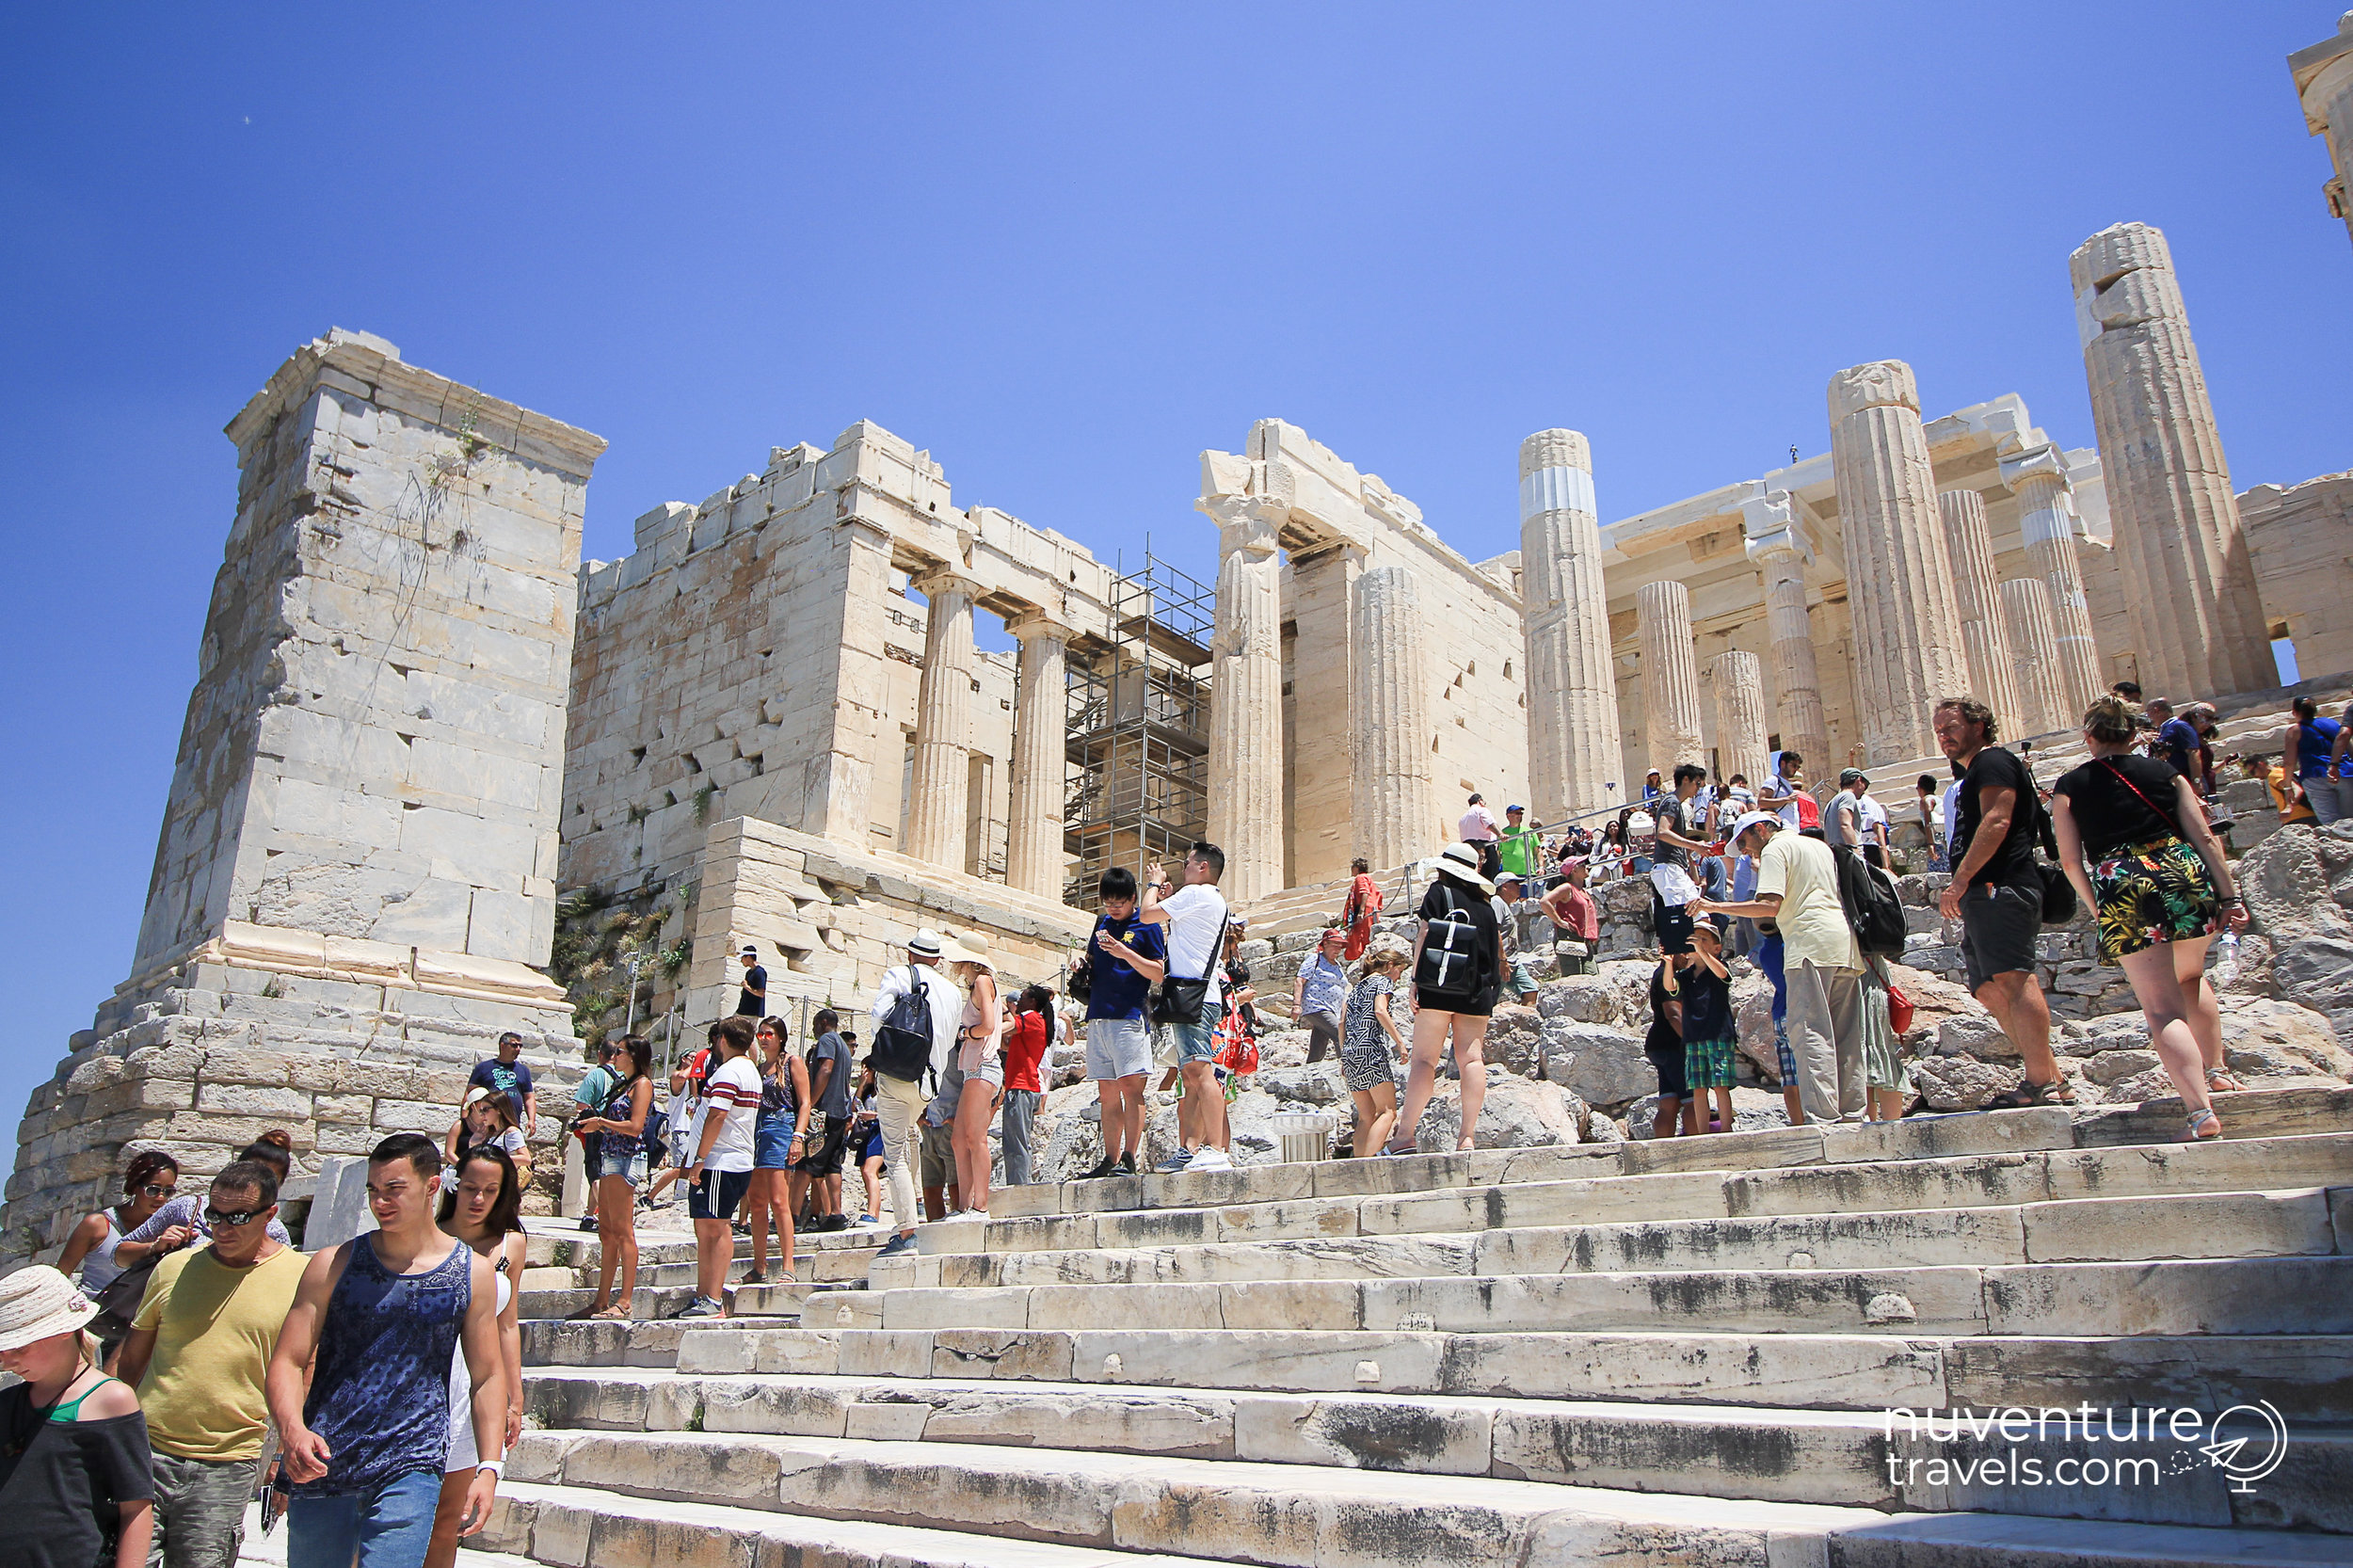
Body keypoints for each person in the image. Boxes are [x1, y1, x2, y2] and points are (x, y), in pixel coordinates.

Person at [267, 1134, 504, 1568]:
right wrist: (292, 1431)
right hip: (326, 1458)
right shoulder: (332, 1264)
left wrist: (489, 1466)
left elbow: (487, 1375)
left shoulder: (473, 1272)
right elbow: (288, 1358)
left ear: (432, 1187)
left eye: (394, 1189)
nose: (381, 1202)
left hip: (413, 1458)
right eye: (374, 1191)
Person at [2050, 695, 2251, 1141]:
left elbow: (2069, 861)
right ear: (2135, 736)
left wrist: (2099, 907)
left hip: (2122, 883)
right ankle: (2217, 1071)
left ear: (2089, 738)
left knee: (2161, 1008)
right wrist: (2229, 896)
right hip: (2182, 872)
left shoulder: (2070, 786)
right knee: (2192, 977)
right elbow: (2203, 834)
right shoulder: (2165, 772)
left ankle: (2200, 1111)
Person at [115, 1158, 300, 1568]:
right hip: (146, 1454)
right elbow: (129, 1362)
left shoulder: (301, 1277)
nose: (222, 1228)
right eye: (215, 1215)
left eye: (238, 1217)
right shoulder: (174, 1267)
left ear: (270, 1214)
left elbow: (306, 1372)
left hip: (227, 1465)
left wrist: (282, 1458)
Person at [1933, 696, 2073, 1111]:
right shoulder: (1976, 768)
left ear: (1978, 725)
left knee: (2014, 980)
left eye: (1951, 726)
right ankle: (2052, 1076)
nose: (1944, 736)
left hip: (2001, 885)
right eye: (1939, 730)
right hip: (1984, 891)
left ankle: (2038, 1084)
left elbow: (1997, 819)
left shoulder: (1993, 761)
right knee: (1987, 987)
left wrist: (1958, 882)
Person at [1697, 812, 1865, 1123]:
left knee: (1812, 1032)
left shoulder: (1775, 849)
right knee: (1846, 1036)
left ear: (1760, 829)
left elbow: (1769, 905)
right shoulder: (1818, 846)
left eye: (1744, 842)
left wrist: (1714, 906)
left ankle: (1824, 1121)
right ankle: (1854, 1114)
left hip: (1807, 945)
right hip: (1843, 944)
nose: (1745, 851)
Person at [0, 1266, 152, 1568]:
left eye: (19, 1346)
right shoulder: (7, 1405)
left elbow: (136, 1508)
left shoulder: (111, 1400)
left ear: (65, 1331)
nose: (7, 1360)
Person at [424, 1148, 527, 1568]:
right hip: (428, 1377)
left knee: (449, 1518)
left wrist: (515, 1399)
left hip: (476, 1385)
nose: (478, 1199)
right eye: (470, 1188)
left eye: (490, 1190)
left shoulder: (511, 1244)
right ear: (452, 1186)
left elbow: (507, 1324)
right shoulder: (425, 1235)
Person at [1389, 843, 1502, 1155]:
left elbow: (1425, 933)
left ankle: (1405, 1136)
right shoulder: (1486, 906)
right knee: (1472, 1059)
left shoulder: (1439, 892)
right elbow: (1494, 954)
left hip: (1438, 986)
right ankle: (1467, 1136)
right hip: (1476, 991)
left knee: (1425, 1061)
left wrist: (1414, 980)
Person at [868, 931, 964, 1260]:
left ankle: (907, 1230)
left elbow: (879, 1016)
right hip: (928, 1085)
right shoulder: (953, 993)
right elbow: (951, 1042)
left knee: (894, 1154)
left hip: (896, 1075)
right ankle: (906, 1221)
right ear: (938, 960)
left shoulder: (899, 975)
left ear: (910, 955)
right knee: (909, 1138)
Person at [1139, 843, 1235, 1173]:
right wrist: (1170, 896)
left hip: (1191, 997)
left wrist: (1153, 884)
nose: (1184, 868)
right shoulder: (1211, 899)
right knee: (1191, 1074)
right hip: (1200, 995)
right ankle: (1191, 1148)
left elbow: (1147, 915)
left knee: (1199, 1071)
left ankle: (1216, 1148)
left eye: (1188, 863)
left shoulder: (1196, 894)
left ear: (1203, 866)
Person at [1080, 867, 1165, 1179]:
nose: (1114, 908)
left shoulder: (1146, 926)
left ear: (1133, 899)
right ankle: (1109, 1157)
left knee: (1131, 1089)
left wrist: (1124, 952)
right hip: (1099, 1016)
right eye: (1108, 902)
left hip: (1130, 1016)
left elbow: (1158, 973)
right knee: (1106, 1092)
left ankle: (1130, 1156)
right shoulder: (1101, 924)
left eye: (1120, 902)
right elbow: (1093, 959)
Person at [112, 1132, 296, 1272]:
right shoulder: (188, 1208)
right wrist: (155, 1246)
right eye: (215, 1217)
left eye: (267, 1177)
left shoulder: (276, 1233)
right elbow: (118, 1254)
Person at [676, 1016, 761, 1318]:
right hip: (728, 1160)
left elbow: (717, 1116)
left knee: (716, 1227)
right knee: (706, 1227)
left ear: (722, 1040)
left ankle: (712, 1298)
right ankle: (704, 1296)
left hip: (720, 1161)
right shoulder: (748, 1069)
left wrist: (699, 1159)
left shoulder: (729, 1072)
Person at [60, 1150, 177, 1364]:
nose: (160, 1198)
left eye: (168, 1192)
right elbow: (59, 1276)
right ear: (134, 1187)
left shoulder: (168, 1230)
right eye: (153, 1190)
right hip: (92, 1327)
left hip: (138, 1328)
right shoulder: (97, 1225)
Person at [571, 1035, 652, 1320]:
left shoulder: (642, 1085)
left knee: (622, 1230)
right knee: (606, 1231)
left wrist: (601, 1123)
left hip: (626, 1158)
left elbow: (635, 1126)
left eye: (619, 1052)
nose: (614, 1056)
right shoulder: (623, 1084)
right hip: (610, 1156)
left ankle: (625, 1300)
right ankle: (601, 1299)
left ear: (632, 1056)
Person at [740, 1016, 809, 1289]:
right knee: (756, 1199)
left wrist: (798, 1137)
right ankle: (760, 1266)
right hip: (758, 1128)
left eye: (769, 1033)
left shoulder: (792, 1062)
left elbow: (804, 1102)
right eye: (761, 1034)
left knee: (779, 1199)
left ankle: (789, 1265)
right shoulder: (760, 1068)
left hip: (780, 1126)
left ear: (780, 1037)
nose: (764, 1038)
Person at [941, 933, 1007, 1215]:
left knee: (975, 1137)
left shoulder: (982, 982)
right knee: (959, 1139)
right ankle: (964, 1204)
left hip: (983, 1066)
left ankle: (980, 1204)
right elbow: (1007, 1020)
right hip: (974, 1068)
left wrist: (966, 1033)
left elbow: (990, 1025)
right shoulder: (981, 984)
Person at [1339, 943, 1409, 1157]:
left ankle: (1355, 1164)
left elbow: (1341, 1023)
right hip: (1371, 1049)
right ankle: (1367, 1163)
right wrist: (1400, 1042)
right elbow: (1380, 1010)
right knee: (1387, 1111)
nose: (1398, 977)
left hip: (1351, 1052)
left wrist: (1344, 1056)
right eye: (1399, 971)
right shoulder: (1383, 982)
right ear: (1390, 966)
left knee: (1365, 1116)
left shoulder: (1355, 988)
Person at [1668, 921, 1737, 1135]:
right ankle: (1702, 1131)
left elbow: (1723, 974)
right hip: (1694, 1037)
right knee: (1698, 1088)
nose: (1698, 943)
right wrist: (1668, 962)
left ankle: (1726, 1128)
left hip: (1718, 1036)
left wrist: (1702, 953)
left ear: (1717, 948)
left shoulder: (1718, 970)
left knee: (1720, 1085)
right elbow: (1670, 987)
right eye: (1694, 939)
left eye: (1704, 940)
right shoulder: (1686, 977)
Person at [791, 1010, 856, 1232]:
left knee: (807, 1163)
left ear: (823, 1022)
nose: (813, 1028)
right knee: (832, 1165)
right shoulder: (845, 1048)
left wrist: (810, 1103)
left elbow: (826, 1069)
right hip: (840, 1113)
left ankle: (793, 1216)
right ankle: (836, 1214)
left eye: (815, 1023)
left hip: (824, 1111)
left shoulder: (827, 1040)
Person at [1650, 763, 1710, 954]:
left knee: (1699, 914)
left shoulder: (1675, 803)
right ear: (1686, 780)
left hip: (1675, 868)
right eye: (1697, 783)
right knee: (1681, 919)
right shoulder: (1672, 802)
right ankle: (1679, 961)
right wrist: (1695, 846)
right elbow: (1663, 832)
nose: (1698, 788)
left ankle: (1698, 957)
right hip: (1668, 868)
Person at [999, 985, 1053, 1187]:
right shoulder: (1036, 1021)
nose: (1017, 1003)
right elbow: (1006, 1043)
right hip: (1027, 1087)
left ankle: (1017, 1188)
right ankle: (1020, 1184)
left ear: (1032, 1002)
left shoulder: (1030, 1018)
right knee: (1019, 1141)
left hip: (1020, 1087)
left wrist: (1001, 1009)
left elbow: (1008, 1026)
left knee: (1015, 1143)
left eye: (1021, 998)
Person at [1753, 924, 1804, 1125]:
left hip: (1780, 1013)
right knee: (1808, 1072)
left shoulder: (1766, 951)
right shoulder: (1791, 945)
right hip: (1798, 1011)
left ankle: (1798, 1124)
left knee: (1789, 1078)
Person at [1641, 949, 1696, 1139]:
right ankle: (1699, 1146)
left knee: (1669, 1103)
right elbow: (1673, 1013)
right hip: (1675, 1045)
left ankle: (1662, 1146)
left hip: (1658, 1044)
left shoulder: (1661, 974)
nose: (1688, 955)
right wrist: (1693, 1042)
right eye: (1684, 951)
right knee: (1694, 1099)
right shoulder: (1668, 976)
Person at [567, 1040, 616, 1231]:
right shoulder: (624, 1075)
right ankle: (589, 1216)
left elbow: (581, 1106)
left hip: (596, 1128)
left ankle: (607, 1217)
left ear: (600, 1054)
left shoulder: (596, 1074)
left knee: (594, 1173)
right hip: (617, 1129)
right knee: (606, 1174)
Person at [445, 1090, 530, 1191]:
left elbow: (526, 1159)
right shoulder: (492, 1133)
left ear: (498, 1109)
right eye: (480, 1111)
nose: (482, 1115)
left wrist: (495, 1159)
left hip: (504, 1187)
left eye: (485, 1110)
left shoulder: (511, 1131)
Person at [2286, 695, 2345, 825]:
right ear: (2315, 710)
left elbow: (2290, 762)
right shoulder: (2332, 723)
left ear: (2294, 713)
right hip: (2344, 772)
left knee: (2331, 823)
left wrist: (2287, 787)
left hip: (2315, 777)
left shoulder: (2295, 731)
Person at [466, 1033, 536, 1140]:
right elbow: (470, 1095)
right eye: (514, 1045)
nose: (518, 1049)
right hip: (486, 1126)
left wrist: (531, 1120)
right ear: (502, 1046)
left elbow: (529, 1098)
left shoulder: (523, 1070)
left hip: (511, 1124)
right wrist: (466, 1122)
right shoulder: (483, 1067)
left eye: (520, 1046)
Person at [1293, 928, 1349, 1063]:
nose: (1338, 949)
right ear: (1325, 944)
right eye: (1334, 945)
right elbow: (1300, 980)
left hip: (1333, 1009)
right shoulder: (1315, 958)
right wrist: (1296, 1005)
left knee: (1319, 1046)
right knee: (1340, 1034)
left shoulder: (1337, 965)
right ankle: (1348, 1067)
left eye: (1340, 946)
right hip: (1316, 1006)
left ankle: (1309, 1072)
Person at [1540, 856, 1598, 976]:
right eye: (1582, 864)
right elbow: (1544, 902)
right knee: (1574, 977)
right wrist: (1560, 921)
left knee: (1592, 974)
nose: (1586, 866)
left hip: (1583, 940)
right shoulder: (1567, 888)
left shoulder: (1582, 891)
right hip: (1570, 938)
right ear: (1574, 870)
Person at [1492, 872, 1541, 1004]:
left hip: (1512, 962)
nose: (1520, 887)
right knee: (1491, 1001)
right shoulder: (1496, 902)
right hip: (1500, 962)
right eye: (1516, 884)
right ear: (1504, 887)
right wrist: (1502, 960)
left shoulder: (1505, 905)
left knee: (1530, 992)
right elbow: (1494, 931)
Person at [850, 1069, 886, 1225]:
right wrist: (861, 1085)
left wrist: (875, 1116)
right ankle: (873, 1211)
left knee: (869, 1170)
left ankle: (872, 1213)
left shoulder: (884, 1090)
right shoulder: (867, 1092)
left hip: (880, 1131)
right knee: (866, 1172)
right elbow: (854, 1106)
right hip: (866, 1132)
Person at [1340, 857, 1384, 962]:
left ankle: (1363, 958)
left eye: (1352, 867)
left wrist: (1361, 911)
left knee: (1361, 934)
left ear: (1357, 868)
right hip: (1370, 910)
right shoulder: (1367, 878)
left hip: (1365, 911)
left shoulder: (1360, 877)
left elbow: (1365, 893)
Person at [1458, 793, 1502, 880]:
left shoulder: (1462, 818)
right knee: (1490, 877)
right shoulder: (1482, 810)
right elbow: (1489, 824)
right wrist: (1500, 834)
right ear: (1480, 801)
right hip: (1485, 847)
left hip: (1468, 848)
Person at [1496, 806, 1544, 884]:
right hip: (1509, 876)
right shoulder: (1503, 833)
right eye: (1517, 813)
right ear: (1509, 816)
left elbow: (1538, 851)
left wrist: (1541, 867)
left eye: (1521, 813)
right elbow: (1498, 854)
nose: (1520, 816)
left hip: (1528, 873)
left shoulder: (1530, 832)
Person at [1827, 769, 1867, 852]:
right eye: (1865, 785)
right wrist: (1855, 851)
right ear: (1859, 780)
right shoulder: (1848, 796)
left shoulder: (1832, 801)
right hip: (1847, 853)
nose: (1864, 791)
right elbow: (1845, 824)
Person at [1914, 774, 1945, 871]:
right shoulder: (1940, 800)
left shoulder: (1926, 799)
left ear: (1921, 788)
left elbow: (1928, 821)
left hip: (1936, 840)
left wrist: (1930, 844)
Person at [734, 944, 768, 1016]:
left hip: (751, 1013)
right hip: (742, 1011)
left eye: (742, 958)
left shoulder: (760, 972)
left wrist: (747, 987)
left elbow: (761, 993)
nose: (741, 961)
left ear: (748, 957)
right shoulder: (749, 972)